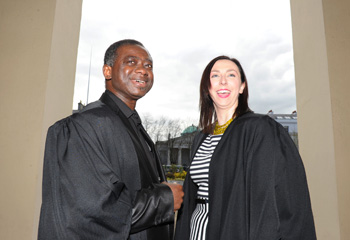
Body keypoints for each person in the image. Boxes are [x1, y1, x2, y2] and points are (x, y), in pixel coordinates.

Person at [38, 39, 184, 240]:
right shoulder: (84, 125)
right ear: (107, 71)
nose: (143, 70)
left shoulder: (133, 127)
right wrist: (165, 199)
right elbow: (90, 211)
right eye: (131, 62)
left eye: (148, 65)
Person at [174, 56, 316, 240]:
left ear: (242, 86)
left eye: (231, 75)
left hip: (237, 230)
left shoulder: (261, 129)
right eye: (215, 76)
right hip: (197, 229)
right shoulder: (201, 138)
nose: (223, 81)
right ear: (207, 88)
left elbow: (282, 199)